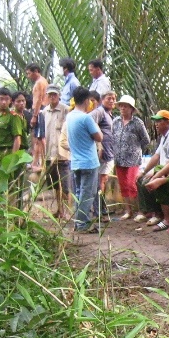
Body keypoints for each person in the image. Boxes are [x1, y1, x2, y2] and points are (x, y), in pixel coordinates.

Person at [135, 110, 169, 224]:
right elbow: (156, 156)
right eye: (155, 121)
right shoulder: (164, 137)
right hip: (163, 169)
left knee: (150, 182)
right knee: (140, 179)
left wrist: (157, 174)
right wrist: (144, 171)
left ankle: (158, 213)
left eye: (159, 121)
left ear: (167, 122)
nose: (156, 124)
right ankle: (147, 210)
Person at [66, 87, 103, 233]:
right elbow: (99, 137)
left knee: (80, 193)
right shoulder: (86, 118)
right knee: (87, 194)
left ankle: (79, 221)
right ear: (87, 100)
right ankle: (82, 224)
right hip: (88, 161)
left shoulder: (70, 116)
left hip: (76, 161)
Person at [111, 95, 151, 220]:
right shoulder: (115, 122)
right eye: (121, 106)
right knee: (123, 185)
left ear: (131, 109)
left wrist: (135, 150)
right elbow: (112, 137)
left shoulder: (137, 123)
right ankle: (128, 210)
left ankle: (139, 210)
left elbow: (146, 140)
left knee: (132, 184)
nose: (123, 108)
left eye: (126, 106)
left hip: (133, 159)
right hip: (119, 158)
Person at [39, 85, 72, 218]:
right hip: (49, 154)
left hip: (63, 154)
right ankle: (60, 210)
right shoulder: (44, 112)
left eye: (54, 94)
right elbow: (41, 135)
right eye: (50, 95)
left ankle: (67, 211)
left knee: (65, 185)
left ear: (59, 96)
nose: (52, 97)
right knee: (56, 185)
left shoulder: (66, 110)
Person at [87, 90, 115, 222]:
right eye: (109, 98)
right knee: (100, 182)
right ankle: (98, 211)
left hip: (109, 152)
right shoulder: (99, 111)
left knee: (104, 180)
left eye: (113, 98)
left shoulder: (108, 114)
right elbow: (89, 123)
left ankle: (102, 209)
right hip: (102, 152)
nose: (111, 101)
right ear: (102, 100)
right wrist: (99, 145)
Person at [25, 63, 50, 168]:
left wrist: (35, 115)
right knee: (38, 138)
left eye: (29, 73)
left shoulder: (40, 82)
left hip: (40, 110)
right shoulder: (43, 81)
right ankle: (35, 162)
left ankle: (43, 162)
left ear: (35, 71)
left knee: (40, 138)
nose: (28, 76)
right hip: (42, 109)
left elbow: (39, 99)